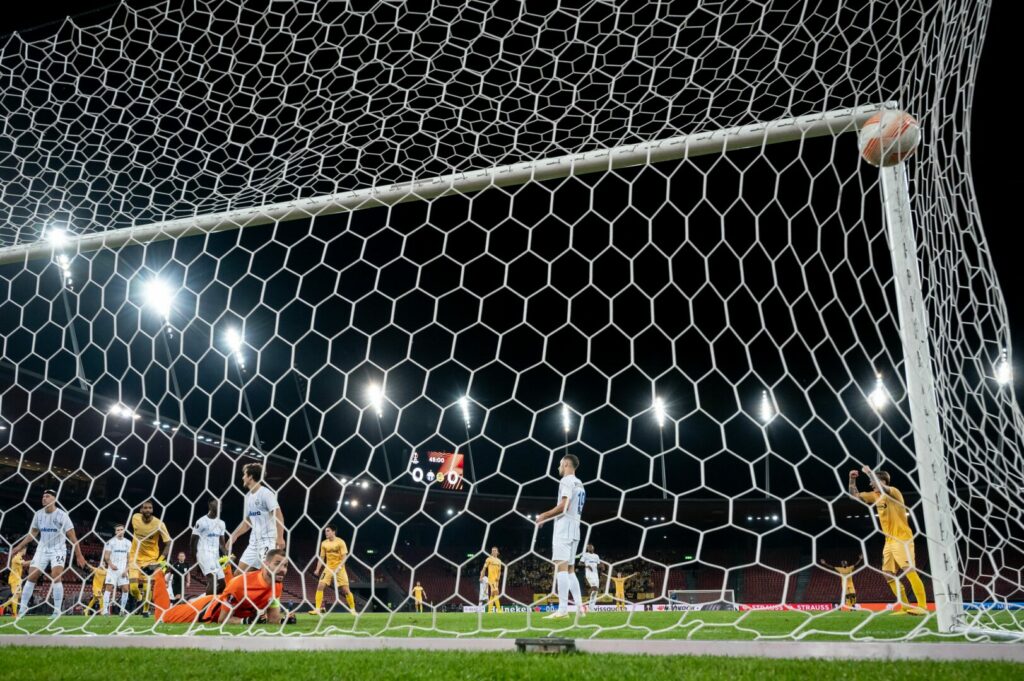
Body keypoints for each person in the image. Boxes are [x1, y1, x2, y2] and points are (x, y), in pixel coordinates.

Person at [849, 466, 928, 615]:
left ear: (883, 481)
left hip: (902, 538)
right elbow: (854, 496)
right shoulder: (875, 496)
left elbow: (883, 489)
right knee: (887, 574)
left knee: (908, 569)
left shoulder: (894, 492)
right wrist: (852, 479)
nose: (871, 484)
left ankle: (923, 607)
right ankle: (905, 607)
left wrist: (869, 473)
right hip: (889, 540)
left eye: (873, 481)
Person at [157, 548, 287, 624]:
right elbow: (222, 619)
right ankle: (158, 573)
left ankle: (226, 566)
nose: (283, 570)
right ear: (265, 564)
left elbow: (273, 619)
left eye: (285, 565)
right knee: (163, 617)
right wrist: (246, 621)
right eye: (277, 564)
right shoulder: (241, 584)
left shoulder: (277, 585)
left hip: (224, 600)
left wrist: (284, 620)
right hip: (206, 610)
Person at [10, 489, 87, 617]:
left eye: (47, 496)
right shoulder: (38, 514)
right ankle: (22, 609)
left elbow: (73, 538)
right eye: (43, 496)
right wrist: (19, 546)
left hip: (58, 549)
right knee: (31, 577)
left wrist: (79, 555)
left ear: (54, 499)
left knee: (56, 576)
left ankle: (57, 611)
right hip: (42, 548)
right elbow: (32, 534)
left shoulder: (62, 515)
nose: (44, 498)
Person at [535, 454, 586, 619]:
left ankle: (563, 610)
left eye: (560, 464)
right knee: (570, 570)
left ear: (566, 464)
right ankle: (579, 607)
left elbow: (564, 506)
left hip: (564, 529)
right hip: (575, 529)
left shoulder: (566, 481)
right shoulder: (580, 483)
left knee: (560, 568)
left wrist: (544, 515)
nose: (558, 467)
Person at [228, 463, 285, 572]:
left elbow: (278, 515)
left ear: (250, 477)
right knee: (238, 575)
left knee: (267, 574)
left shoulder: (266, 494)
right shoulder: (248, 497)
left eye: (244, 475)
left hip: (268, 541)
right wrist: (234, 535)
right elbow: (248, 522)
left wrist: (280, 537)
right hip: (253, 543)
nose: (243, 477)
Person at [128, 500, 172, 616]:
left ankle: (145, 610)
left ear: (152, 510)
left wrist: (159, 561)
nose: (148, 510)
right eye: (145, 508)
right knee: (133, 588)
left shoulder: (159, 524)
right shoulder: (135, 518)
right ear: (141, 510)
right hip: (134, 557)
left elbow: (169, 543)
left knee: (147, 587)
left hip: (150, 559)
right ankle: (140, 598)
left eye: (150, 508)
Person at [311, 525, 355, 614]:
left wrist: (339, 567)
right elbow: (321, 557)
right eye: (325, 531)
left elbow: (344, 557)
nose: (326, 533)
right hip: (328, 568)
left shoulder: (340, 542)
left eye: (328, 531)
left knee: (345, 590)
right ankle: (317, 609)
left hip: (340, 568)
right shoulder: (324, 543)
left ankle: (353, 609)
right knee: (320, 586)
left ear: (333, 532)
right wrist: (317, 569)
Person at [192, 498, 229, 595]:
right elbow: (192, 543)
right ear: (210, 504)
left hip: (215, 556)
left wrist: (227, 554)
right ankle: (207, 604)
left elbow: (222, 544)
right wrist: (196, 561)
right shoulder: (201, 522)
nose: (219, 506)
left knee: (223, 584)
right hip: (203, 554)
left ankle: (208, 599)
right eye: (217, 503)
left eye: (221, 504)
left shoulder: (221, 523)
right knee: (213, 580)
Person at [102, 523, 131, 615]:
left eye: (121, 529)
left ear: (124, 531)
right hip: (112, 570)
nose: (120, 531)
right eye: (118, 530)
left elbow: (129, 559)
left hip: (123, 570)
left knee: (126, 589)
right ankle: (105, 611)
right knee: (108, 588)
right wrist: (111, 565)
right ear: (115, 532)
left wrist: (126, 570)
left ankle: (122, 610)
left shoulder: (128, 543)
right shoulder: (111, 542)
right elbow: (106, 556)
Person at [2, 548, 25, 616]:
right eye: (25, 550)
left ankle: (2, 606)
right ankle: (14, 613)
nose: (25, 551)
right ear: (22, 550)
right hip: (15, 580)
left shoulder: (19, 558)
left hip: (17, 579)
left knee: (18, 596)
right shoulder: (17, 558)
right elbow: (24, 563)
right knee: (16, 596)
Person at [578, 544, 603, 609]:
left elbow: (598, 565)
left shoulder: (596, 556)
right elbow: (579, 563)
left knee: (596, 591)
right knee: (594, 588)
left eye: (590, 547)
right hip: (589, 574)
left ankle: (591, 607)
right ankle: (587, 600)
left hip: (595, 574)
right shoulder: (585, 555)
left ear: (593, 548)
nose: (589, 548)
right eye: (588, 547)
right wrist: (587, 566)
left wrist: (601, 567)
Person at [480, 547, 502, 613]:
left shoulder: (499, 561)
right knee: (496, 592)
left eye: (495, 550)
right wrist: (481, 577)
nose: (494, 552)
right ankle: (499, 610)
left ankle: (489, 611)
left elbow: (499, 571)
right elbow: (484, 568)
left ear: (497, 552)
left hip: (496, 580)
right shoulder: (488, 559)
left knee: (492, 594)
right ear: (491, 552)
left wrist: (498, 578)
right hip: (491, 579)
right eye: (492, 551)